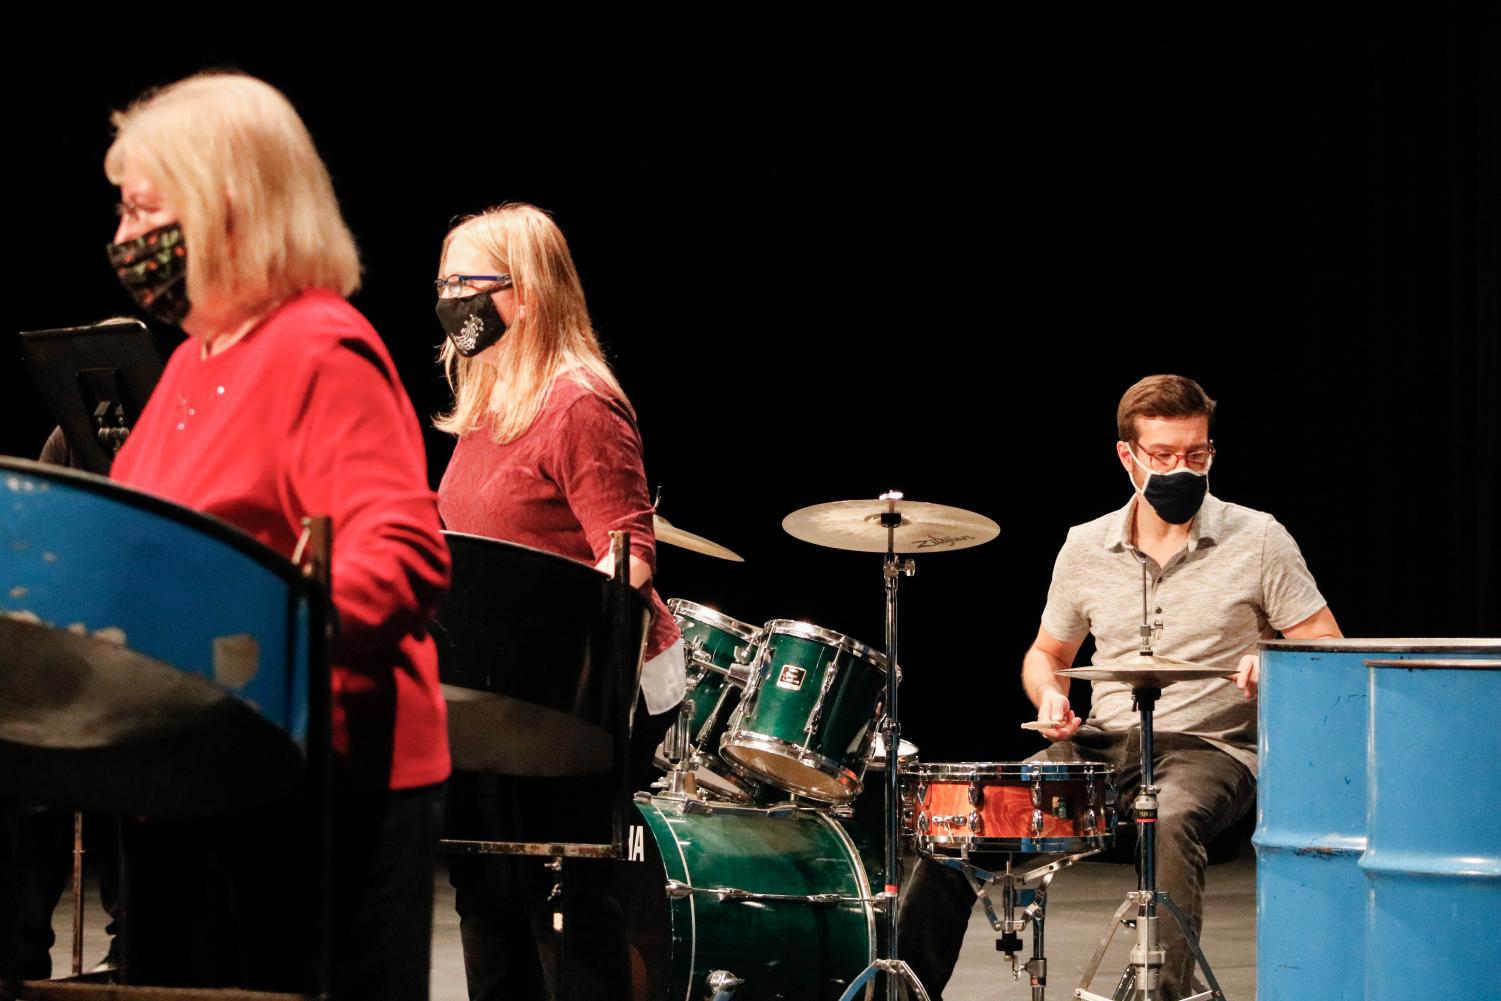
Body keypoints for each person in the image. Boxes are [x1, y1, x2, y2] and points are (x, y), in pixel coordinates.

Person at [102, 72, 450, 1000]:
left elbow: (404, 554)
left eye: (145, 209)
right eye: (122, 212)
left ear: (228, 203)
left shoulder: (318, 346)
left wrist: (247, 645)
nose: (126, 239)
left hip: (316, 795)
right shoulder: (187, 364)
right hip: (191, 775)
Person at [899, 374, 1341, 1001]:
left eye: (1197, 454)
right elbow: (1047, 654)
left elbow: (1326, 642)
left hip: (1211, 749)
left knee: (1171, 817)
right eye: (1164, 456)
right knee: (956, 829)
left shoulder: (1259, 537)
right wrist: (1049, 695)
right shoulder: (1084, 545)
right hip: (1101, 749)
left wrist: (1273, 660)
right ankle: (905, 994)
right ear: (1127, 456)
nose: (1182, 469)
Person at [432, 203, 685, 1001]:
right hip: (495, 684)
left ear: (528, 294)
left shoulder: (578, 403)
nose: (449, 302)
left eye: (465, 284)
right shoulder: (484, 404)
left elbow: (628, 562)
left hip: (584, 685)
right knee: (484, 884)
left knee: (566, 896)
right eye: (441, 284)